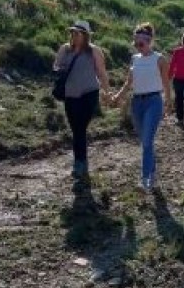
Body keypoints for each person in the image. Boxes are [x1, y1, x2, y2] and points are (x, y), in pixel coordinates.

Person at [113, 23, 172, 193]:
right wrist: (118, 96)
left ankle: (146, 179)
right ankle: (152, 171)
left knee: (146, 142)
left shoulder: (159, 59)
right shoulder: (134, 59)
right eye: (135, 43)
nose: (138, 46)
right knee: (145, 141)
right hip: (137, 103)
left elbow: (166, 83)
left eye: (141, 43)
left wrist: (168, 102)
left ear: (149, 41)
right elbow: (128, 82)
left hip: (154, 102)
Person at [54, 21, 112, 184]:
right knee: (76, 130)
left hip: (89, 94)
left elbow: (101, 72)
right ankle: (80, 162)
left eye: (78, 33)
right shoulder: (64, 49)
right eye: (73, 32)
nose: (74, 35)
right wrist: (60, 68)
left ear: (85, 35)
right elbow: (56, 66)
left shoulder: (94, 51)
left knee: (80, 128)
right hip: (70, 95)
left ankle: (80, 163)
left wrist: (107, 92)